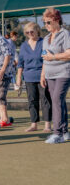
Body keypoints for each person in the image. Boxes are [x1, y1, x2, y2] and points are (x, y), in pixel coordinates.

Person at [41, 7, 70, 144]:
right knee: (59, 102)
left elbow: (69, 54)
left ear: (56, 20)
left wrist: (54, 57)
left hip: (63, 72)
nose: (45, 25)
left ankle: (57, 133)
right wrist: (43, 74)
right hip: (49, 73)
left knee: (57, 99)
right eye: (44, 22)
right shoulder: (46, 38)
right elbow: (45, 58)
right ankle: (65, 131)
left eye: (48, 22)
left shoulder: (65, 34)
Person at [16, 22, 52, 132]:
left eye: (32, 31)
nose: (30, 33)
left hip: (43, 76)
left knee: (45, 100)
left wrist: (43, 75)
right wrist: (18, 78)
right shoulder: (24, 45)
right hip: (28, 77)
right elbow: (20, 63)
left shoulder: (43, 43)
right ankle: (34, 124)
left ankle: (47, 125)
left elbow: (46, 59)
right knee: (32, 100)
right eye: (27, 32)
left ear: (37, 30)